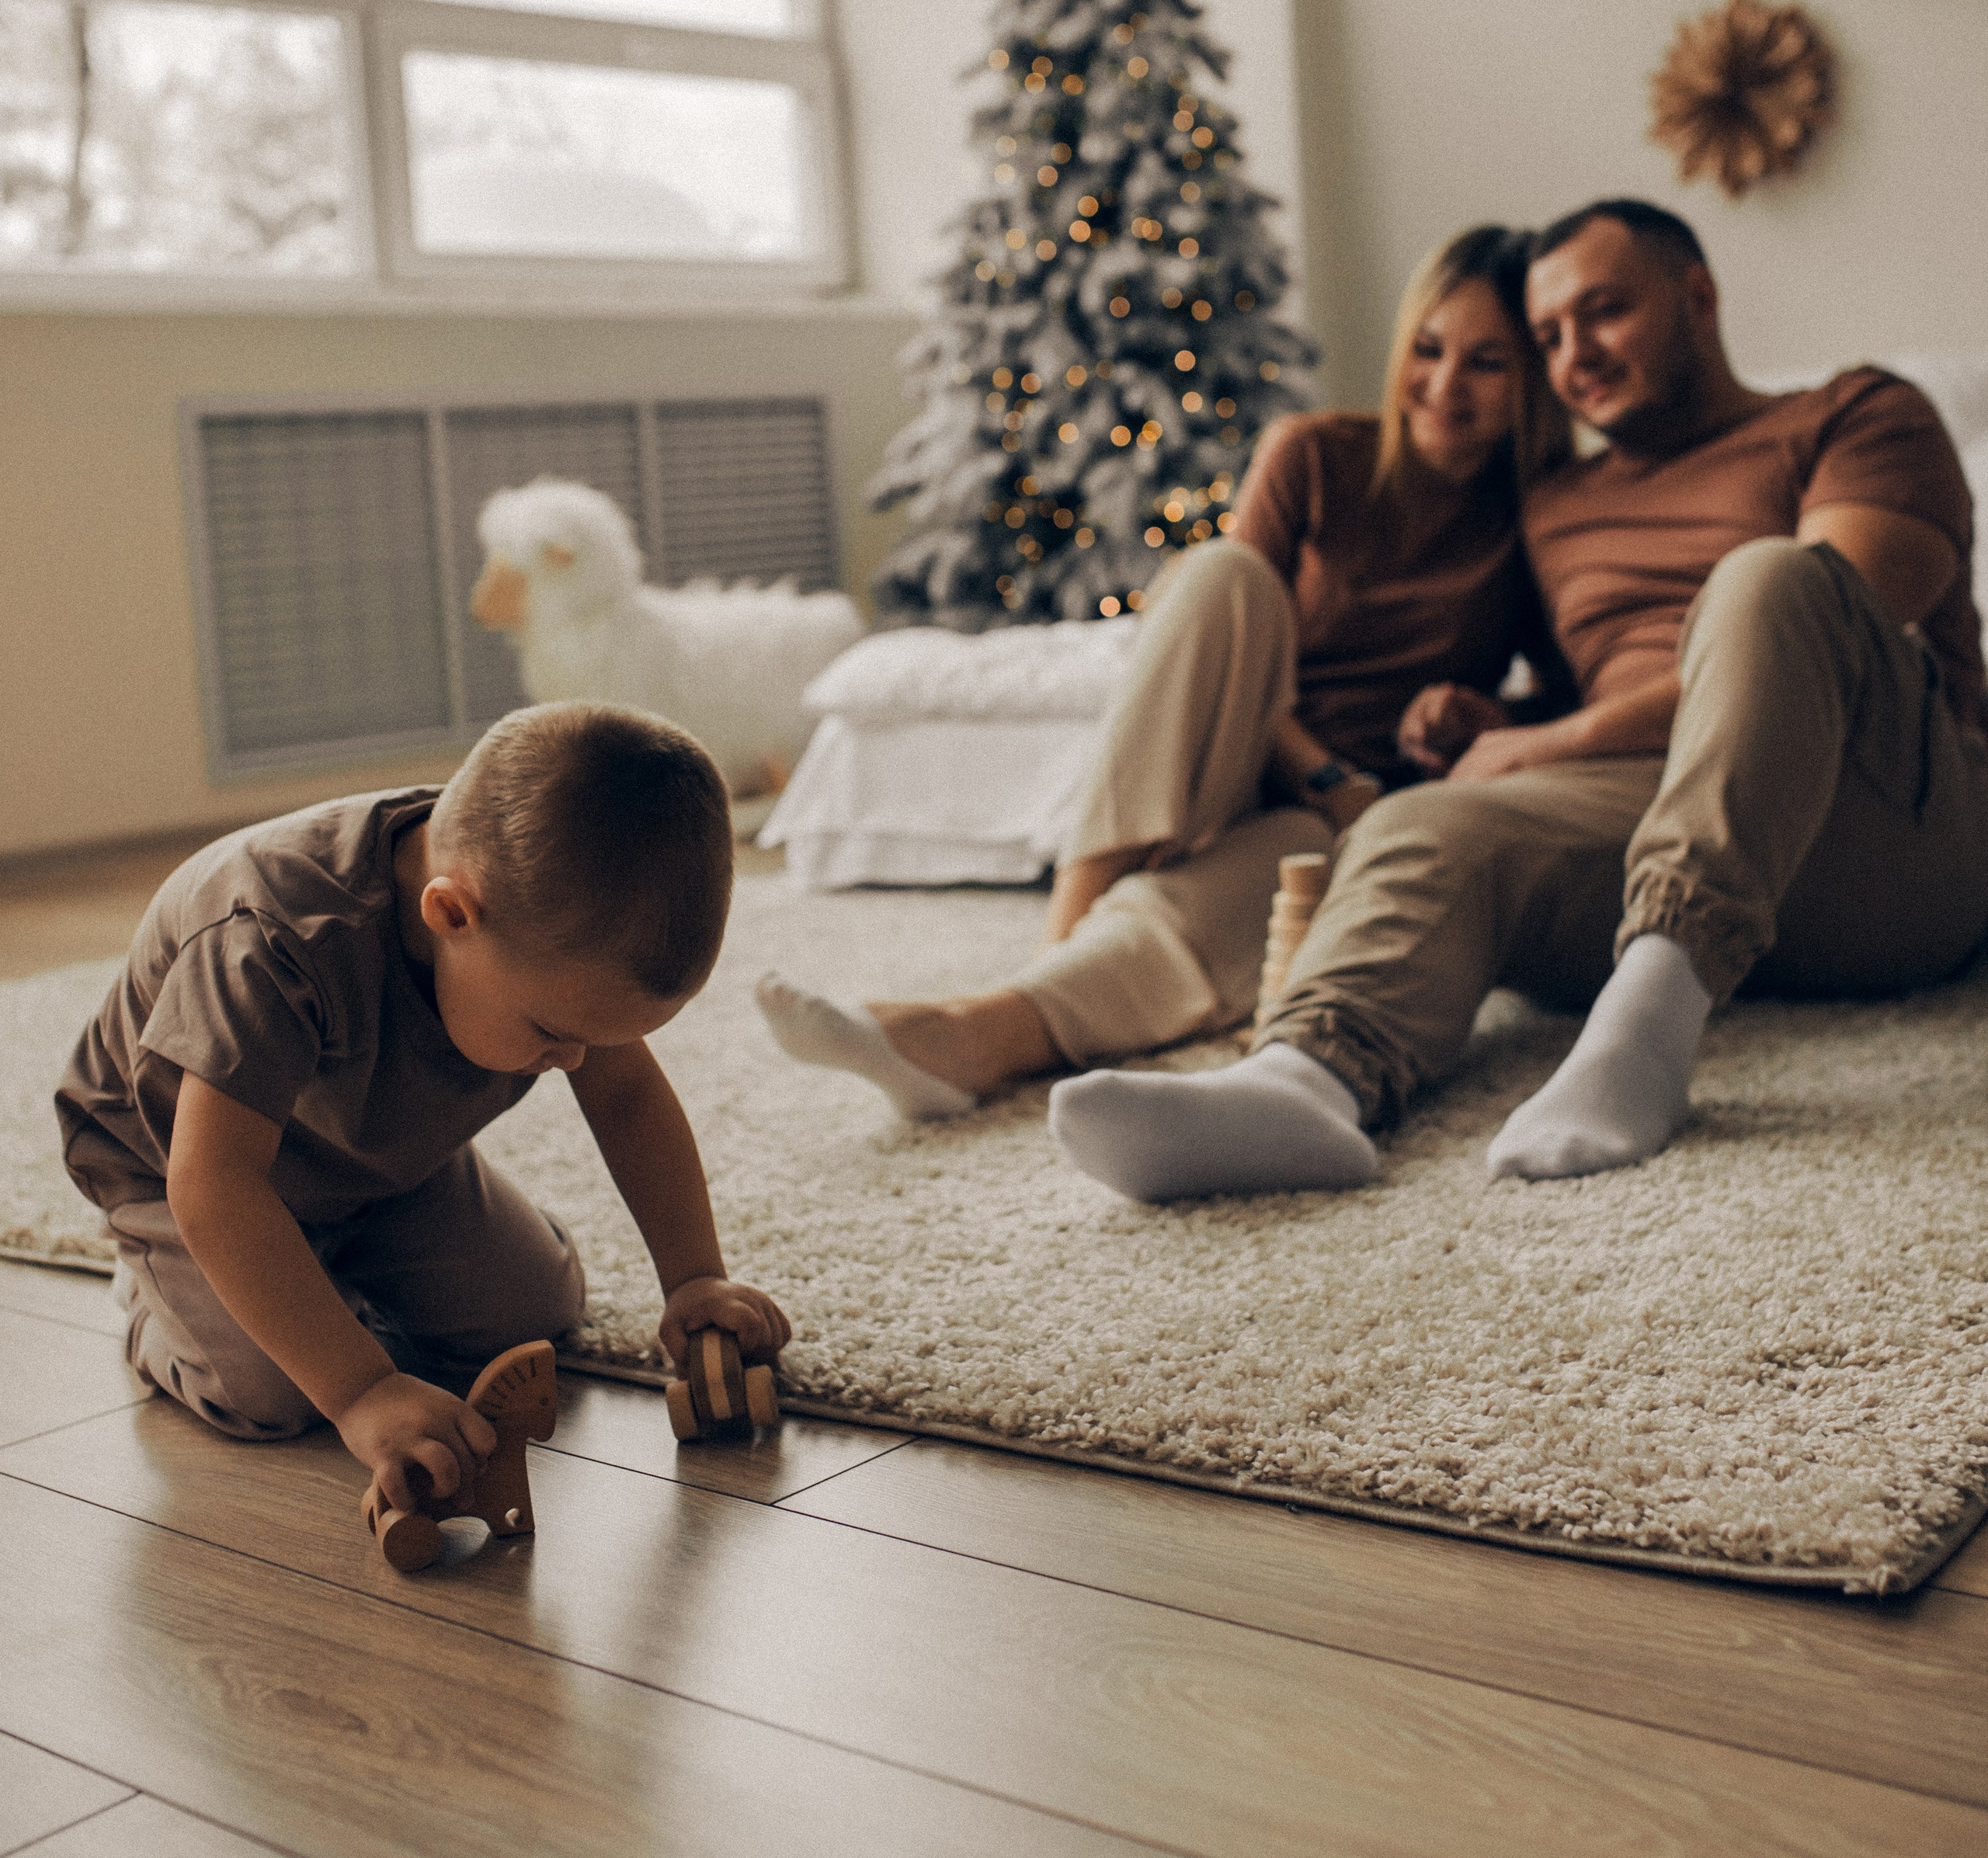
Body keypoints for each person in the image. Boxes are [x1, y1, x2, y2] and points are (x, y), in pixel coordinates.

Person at [1047, 196, 1988, 1202]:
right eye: (1548, 336)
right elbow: (1571, 687)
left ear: (1697, 297)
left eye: (1604, 311)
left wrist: (1556, 741)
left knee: (1767, 582)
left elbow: (1856, 608)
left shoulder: (1853, 413)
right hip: (1655, 820)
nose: (1573, 352)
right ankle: (1306, 1084)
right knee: (1426, 821)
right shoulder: (1556, 502)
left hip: (1890, 839)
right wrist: (1497, 726)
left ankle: (1648, 1033)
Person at [757, 224, 1565, 1155]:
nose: (1443, 385)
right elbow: (1215, 632)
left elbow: (1559, 696)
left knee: (1222, 900)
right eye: (1428, 348)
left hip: (1343, 820)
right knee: (1225, 574)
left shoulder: (1532, 518)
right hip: (1238, 743)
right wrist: (1323, 773)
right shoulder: (1314, 454)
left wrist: (1481, 717)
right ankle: (1063, 929)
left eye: (1486, 363)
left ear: (1532, 380)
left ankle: (965, 1039)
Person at [56, 703, 789, 1518]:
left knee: (532, 1315)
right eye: (551, 1034)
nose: (574, 1062)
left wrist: (693, 1276)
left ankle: (326, 1270)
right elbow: (214, 1183)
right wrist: (363, 1389)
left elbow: (624, 1095)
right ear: (449, 914)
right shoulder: (273, 937)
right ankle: (149, 1290)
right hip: (180, 1172)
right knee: (271, 1396)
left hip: (379, 1156)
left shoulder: (547, 910)